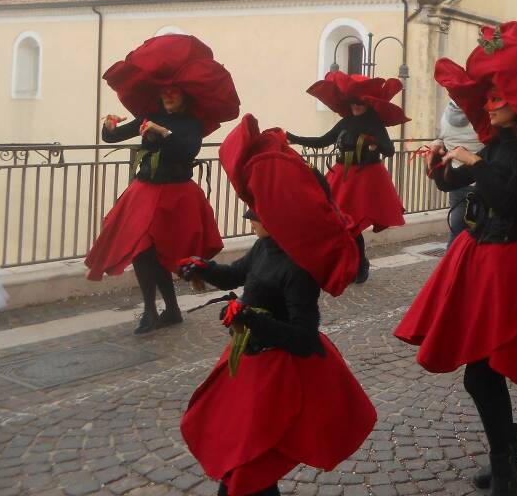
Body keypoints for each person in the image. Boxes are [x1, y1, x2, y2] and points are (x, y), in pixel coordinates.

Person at [394, 22, 517, 496]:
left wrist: (477, 165)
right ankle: (505, 450)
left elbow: (508, 199)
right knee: (479, 372)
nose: (490, 103)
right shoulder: (502, 145)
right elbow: (466, 189)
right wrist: (441, 168)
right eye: (489, 97)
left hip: (508, 265)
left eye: (498, 98)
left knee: (485, 370)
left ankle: (505, 460)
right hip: (477, 257)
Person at [180, 115, 376, 496]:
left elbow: (305, 339)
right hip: (249, 365)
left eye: (257, 214)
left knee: (248, 466)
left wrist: (251, 318)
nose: (251, 220)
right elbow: (238, 274)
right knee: (247, 466)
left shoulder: (298, 269)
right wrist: (202, 268)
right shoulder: (266, 247)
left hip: (276, 376)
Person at [85, 34, 239, 334]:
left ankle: (170, 308)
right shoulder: (149, 115)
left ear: (185, 96)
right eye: (165, 92)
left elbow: (186, 149)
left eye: (174, 92)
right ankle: (150, 310)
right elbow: (113, 138)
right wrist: (109, 126)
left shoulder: (191, 123)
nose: (168, 96)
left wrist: (161, 134)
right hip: (144, 192)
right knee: (142, 250)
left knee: (163, 254)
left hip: (176, 194)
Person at [287, 72, 409, 284]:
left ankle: (360, 264)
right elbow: (322, 141)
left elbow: (389, 150)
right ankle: (348, 262)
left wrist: (375, 143)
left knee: (352, 226)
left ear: (367, 104)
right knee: (338, 222)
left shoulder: (375, 123)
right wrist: (294, 138)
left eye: (359, 103)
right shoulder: (346, 123)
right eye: (352, 104)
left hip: (365, 178)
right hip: (342, 176)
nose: (355, 107)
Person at [436, 100, 483, 246]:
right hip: (481, 179)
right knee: (481, 233)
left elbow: (442, 137)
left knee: (457, 232)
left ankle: (453, 265)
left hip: (457, 176)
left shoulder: (446, 115)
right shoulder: (483, 116)